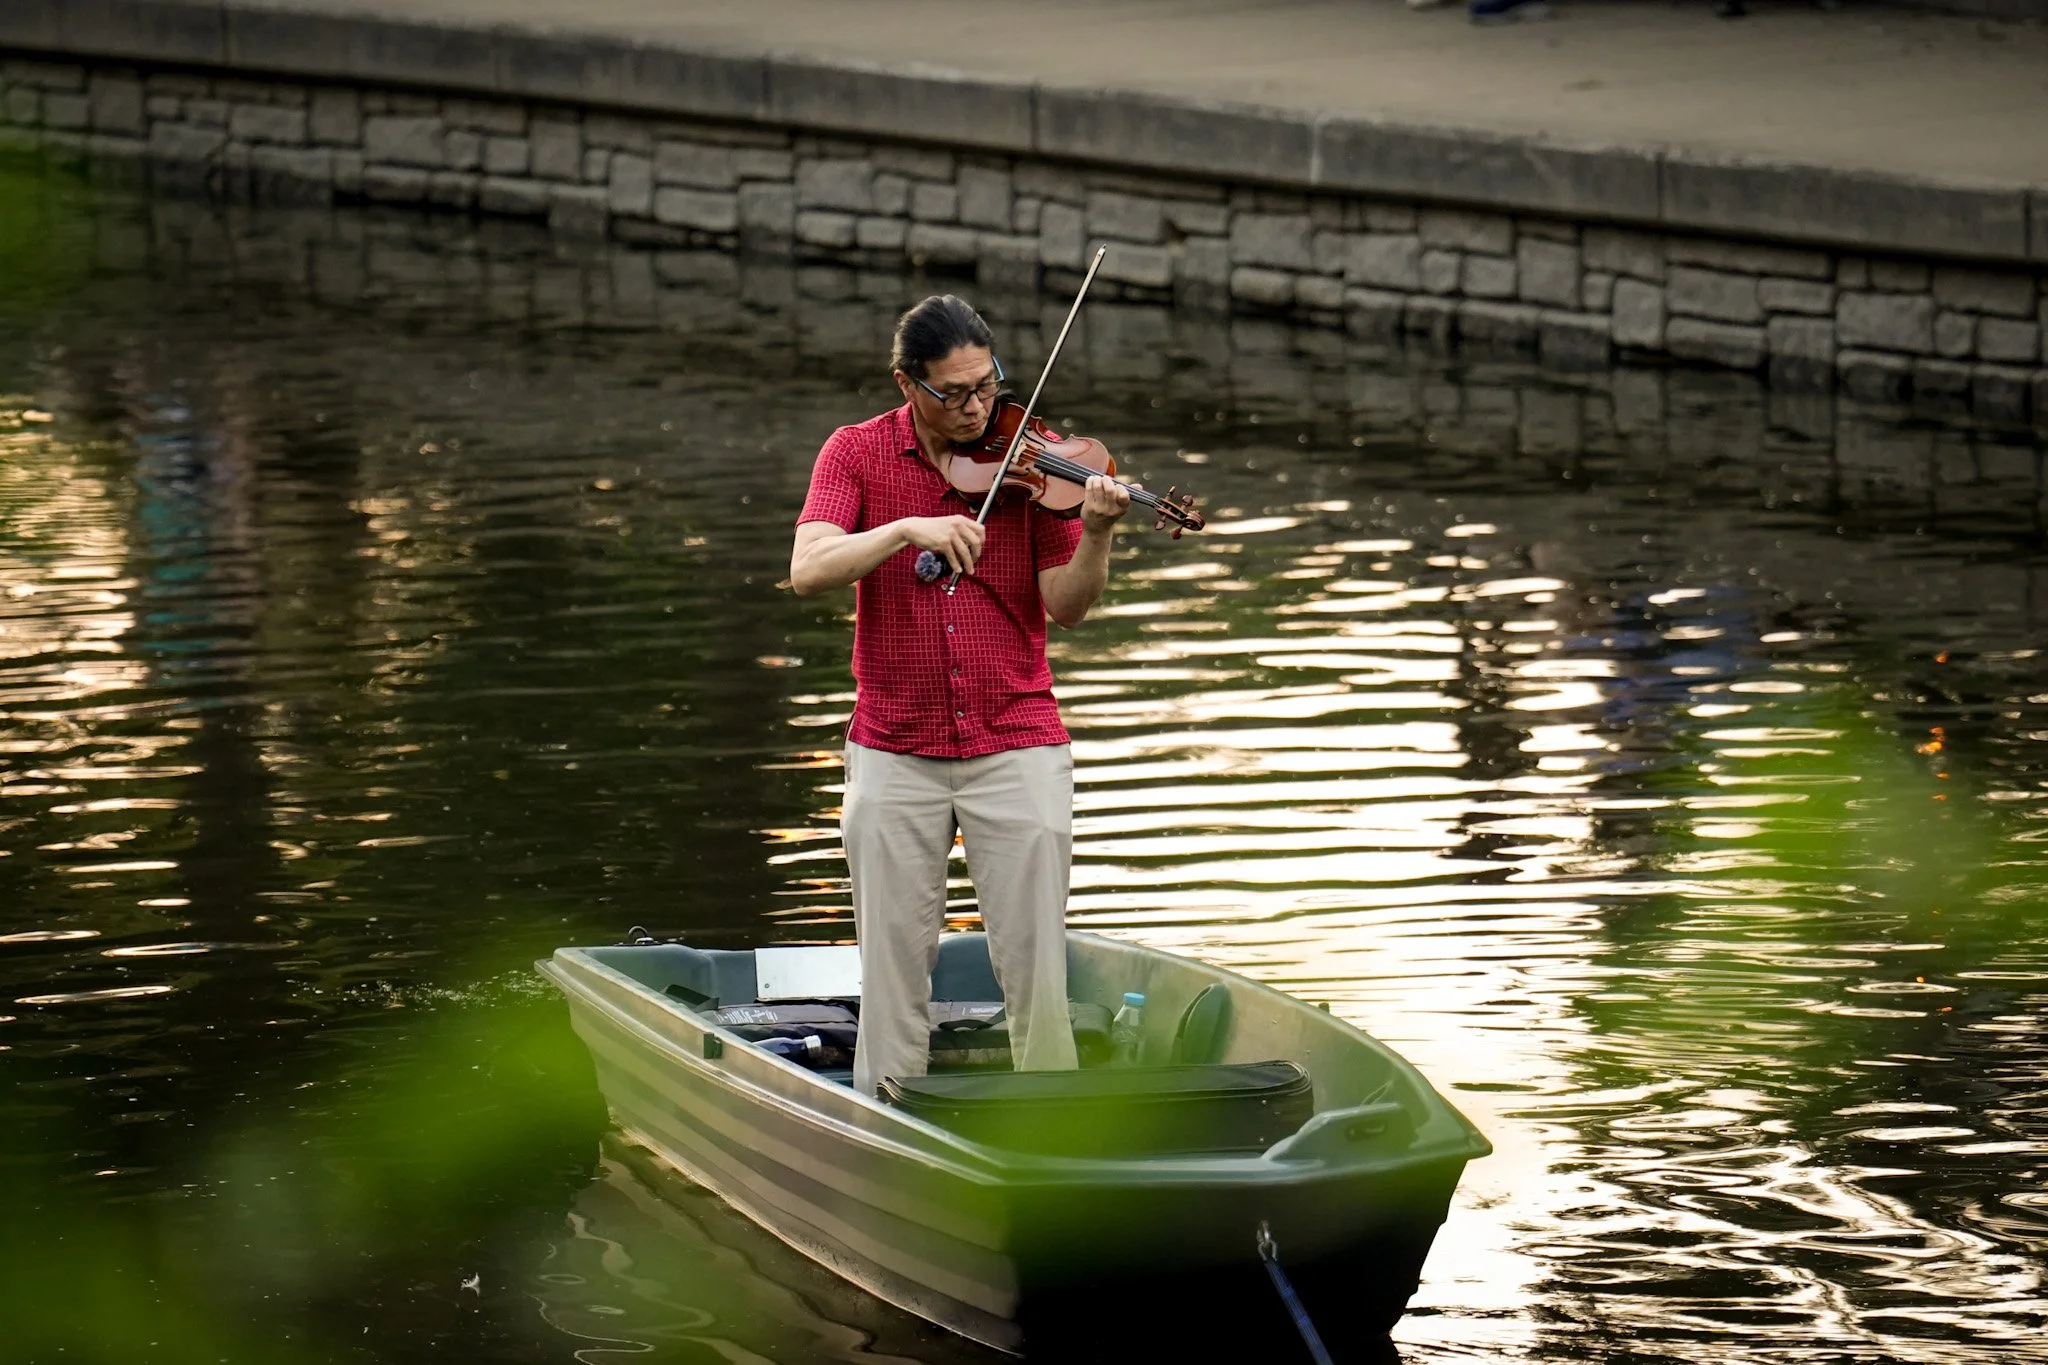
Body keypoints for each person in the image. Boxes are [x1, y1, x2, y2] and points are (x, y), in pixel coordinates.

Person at [789, 294, 1133, 1097]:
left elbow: (1069, 604)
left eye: (988, 385)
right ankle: (888, 1130)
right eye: (956, 393)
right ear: (908, 385)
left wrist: (1100, 532)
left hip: (1017, 741)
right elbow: (809, 568)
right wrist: (907, 528)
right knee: (893, 971)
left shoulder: (1035, 460)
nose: (980, 407)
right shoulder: (855, 453)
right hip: (893, 748)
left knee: (1038, 971)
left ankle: (1053, 1132)